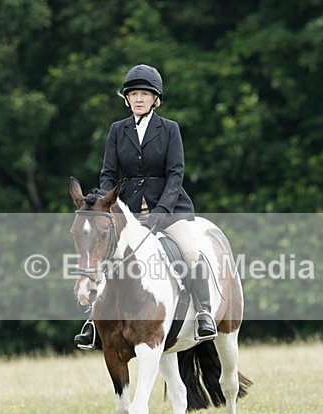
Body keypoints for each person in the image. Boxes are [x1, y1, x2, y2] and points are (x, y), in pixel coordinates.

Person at [75, 64, 217, 349]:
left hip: (169, 209)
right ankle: (93, 322)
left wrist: (162, 211)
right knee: (104, 257)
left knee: (189, 251)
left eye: (144, 94)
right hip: (127, 212)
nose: (138, 99)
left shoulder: (169, 129)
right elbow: (108, 173)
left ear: (156, 99)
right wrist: (106, 206)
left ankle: (203, 314)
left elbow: (176, 173)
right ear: (127, 99)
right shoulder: (118, 130)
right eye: (133, 94)